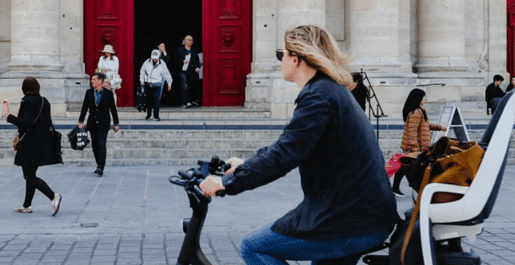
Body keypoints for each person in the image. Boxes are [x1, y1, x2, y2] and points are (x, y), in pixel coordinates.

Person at [199, 25, 399, 265]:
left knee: (253, 247)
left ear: (296, 59)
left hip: (347, 220)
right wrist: (245, 166)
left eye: (280, 54)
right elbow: (291, 143)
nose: (279, 60)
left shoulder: (319, 96)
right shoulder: (329, 91)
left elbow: (285, 154)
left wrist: (227, 182)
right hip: (361, 215)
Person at [2, 76, 62, 215]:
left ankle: (53, 196)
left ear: (24, 88)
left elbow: (26, 122)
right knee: (31, 174)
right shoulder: (44, 101)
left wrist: (8, 117)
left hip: (30, 143)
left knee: (29, 176)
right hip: (43, 141)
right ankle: (27, 205)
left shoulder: (27, 102)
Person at [390, 88, 446, 197]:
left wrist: (438, 127)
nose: (425, 99)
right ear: (418, 98)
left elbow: (424, 125)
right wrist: (414, 147)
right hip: (416, 146)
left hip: (418, 145)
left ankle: (395, 188)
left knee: (403, 166)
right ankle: (415, 189)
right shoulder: (415, 112)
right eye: (423, 97)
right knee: (411, 168)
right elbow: (412, 130)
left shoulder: (419, 111)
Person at [78, 72, 119, 176]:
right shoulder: (88, 92)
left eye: (94, 79)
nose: (92, 81)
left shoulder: (108, 93)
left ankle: (101, 166)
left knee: (101, 143)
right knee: (95, 145)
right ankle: (98, 163)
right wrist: (81, 121)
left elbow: (113, 109)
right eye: (92, 80)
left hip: (103, 123)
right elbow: (84, 108)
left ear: (100, 81)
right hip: (92, 123)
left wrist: (116, 123)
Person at [139, 49, 173, 121]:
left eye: (156, 58)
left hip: (158, 84)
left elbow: (166, 73)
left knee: (156, 100)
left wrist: (169, 83)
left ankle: (156, 116)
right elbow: (142, 71)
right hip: (149, 83)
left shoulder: (162, 63)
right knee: (148, 100)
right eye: (153, 58)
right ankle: (148, 114)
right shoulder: (147, 62)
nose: (154, 59)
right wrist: (142, 80)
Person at [175, 35, 201, 108]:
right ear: (185, 41)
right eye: (189, 40)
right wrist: (182, 61)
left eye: (192, 40)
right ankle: (184, 102)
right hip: (182, 70)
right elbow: (175, 60)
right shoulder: (180, 50)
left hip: (191, 70)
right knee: (185, 86)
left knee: (189, 87)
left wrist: (197, 67)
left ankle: (188, 101)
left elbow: (197, 59)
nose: (191, 41)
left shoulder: (193, 50)